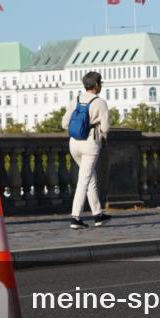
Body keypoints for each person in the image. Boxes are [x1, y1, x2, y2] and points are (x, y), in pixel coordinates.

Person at [61, 71, 112, 229]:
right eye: (101, 83)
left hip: (74, 143)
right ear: (96, 85)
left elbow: (64, 123)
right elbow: (105, 127)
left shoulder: (75, 99)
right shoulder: (100, 102)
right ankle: (75, 217)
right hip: (90, 143)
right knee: (84, 179)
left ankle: (98, 214)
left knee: (89, 178)